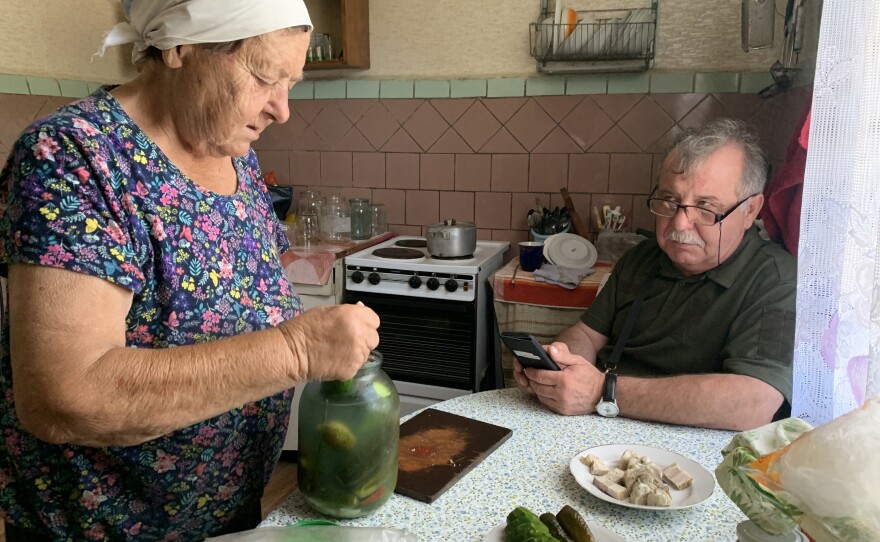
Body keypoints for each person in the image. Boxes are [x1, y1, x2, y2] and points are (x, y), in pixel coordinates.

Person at [0, 1, 380, 540]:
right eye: (265, 76)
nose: (282, 109)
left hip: (231, 521)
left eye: (290, 82)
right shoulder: (74, 155)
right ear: (180, 48)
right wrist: (295, 351)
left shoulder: (232, 152)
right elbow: (65, 395)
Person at [514, 118, 797, 432]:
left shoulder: (777, 281)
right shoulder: (642, 258)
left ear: (751, 210)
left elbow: (753, 403)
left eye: (705, 207)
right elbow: (585, 335)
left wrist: (601, 390)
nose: (679, 225)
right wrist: (560, 365)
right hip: (602, 430)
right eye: (669, 201)